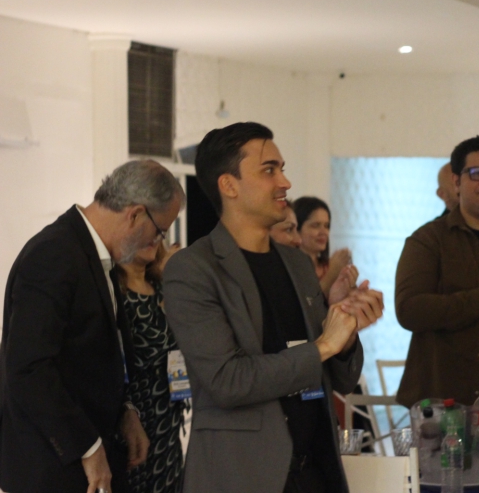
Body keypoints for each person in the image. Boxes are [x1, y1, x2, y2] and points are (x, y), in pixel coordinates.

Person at [163, 122, 383, 493]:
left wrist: (344, 331)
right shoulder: (193, 269)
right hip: (243, 475)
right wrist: (323, 346)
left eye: (282, 168)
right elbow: (227, 381)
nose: (285, 182)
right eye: (269, 170)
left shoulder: (296, 264)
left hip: (316, 470)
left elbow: (339, 379)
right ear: (229, 185)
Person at [0, 159, 184, 493]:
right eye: (160, 231)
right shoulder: (54, 253)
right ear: (135, 214)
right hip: (55, 469)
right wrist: (88, 446)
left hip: (92, 461)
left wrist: (126, 411)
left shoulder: (97, 254)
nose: (159, 241)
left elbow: (97, 357)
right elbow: (28, 369)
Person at [395, 136, 479, 423]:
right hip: (448, 402)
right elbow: (409, 310)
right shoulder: (429, 240)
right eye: (477, 173)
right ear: (456, 182)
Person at [117, 240, 186, 493]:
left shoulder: (161, 287)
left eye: (157, 232)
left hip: (169, 421)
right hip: (133, 420)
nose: (152, 239)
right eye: (142, 233)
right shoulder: (114, 295)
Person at [294, 197, 353, 299]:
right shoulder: (292, 268)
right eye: (315, 225)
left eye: (326, 226)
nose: (323, 232)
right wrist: (331, 273)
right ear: (296, 229)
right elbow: (309, 302)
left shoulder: (329, 265)